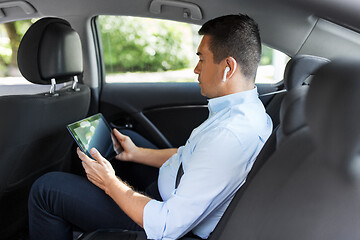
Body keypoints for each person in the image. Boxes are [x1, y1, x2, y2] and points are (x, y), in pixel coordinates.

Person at [28, 14, 273, 240]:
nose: (196, 69)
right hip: (170, 190)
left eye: (202, 59)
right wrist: (136, 153)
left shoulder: (230, 135)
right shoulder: (244, 111)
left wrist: (109, 183)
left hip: (159, 221)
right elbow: (193, 157)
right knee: (123, 143)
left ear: (227, 68)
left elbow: (167, 225)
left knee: (46, 190)